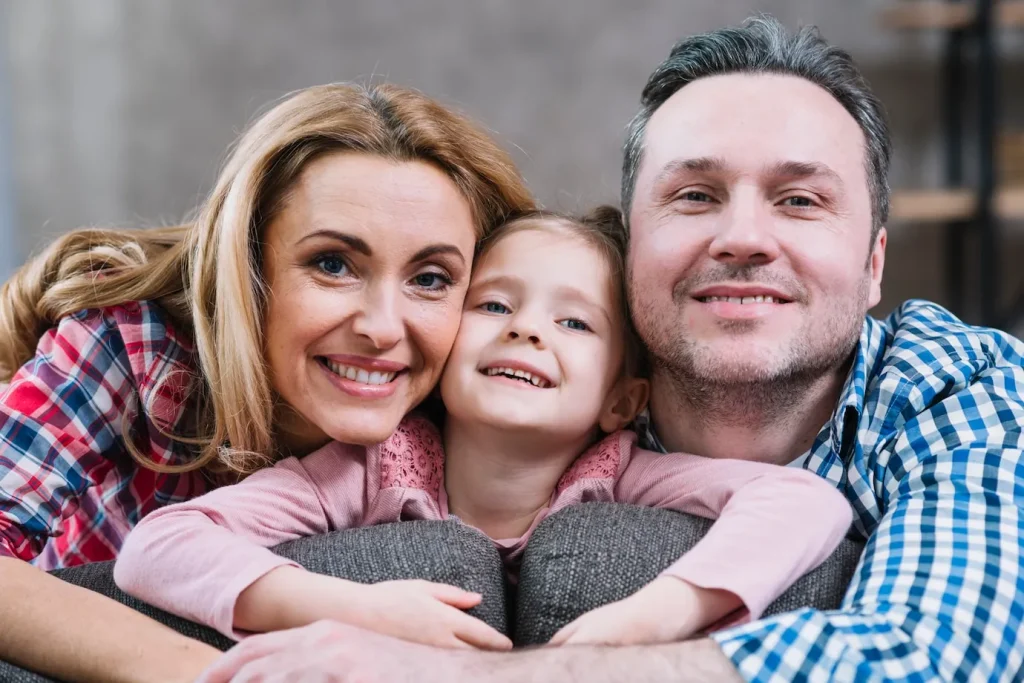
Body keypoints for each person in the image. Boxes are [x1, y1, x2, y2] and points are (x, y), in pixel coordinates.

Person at [202, 15, 1024, 683]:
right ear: (632, 249)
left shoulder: (957, 386)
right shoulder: (455, 397)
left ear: (875, 262)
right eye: (694, 195)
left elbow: (938, 656)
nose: (742, 237)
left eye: (800, 200)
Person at [112, 208, 852, 649]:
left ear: (622, 400)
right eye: (495, 306)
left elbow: (807, 503)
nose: (527, 331)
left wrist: (657, 613)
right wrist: (349, 605)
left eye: (572, 321)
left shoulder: (621, 473)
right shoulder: (368, 469)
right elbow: (157, 547)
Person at [0, 82, 534, 682]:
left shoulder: (479, 400)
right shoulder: (132, 343)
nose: (383, 328)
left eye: (431, 279)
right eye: (332, 265)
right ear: (249, 268)